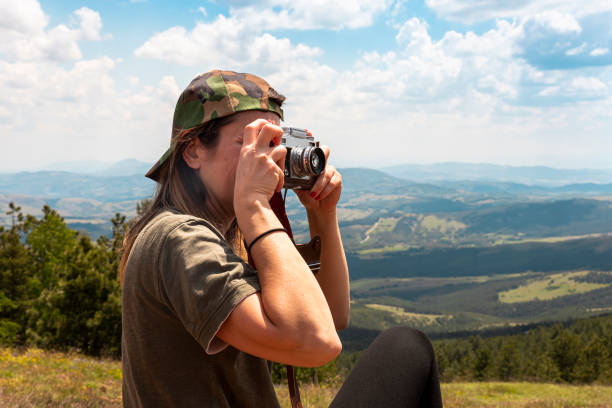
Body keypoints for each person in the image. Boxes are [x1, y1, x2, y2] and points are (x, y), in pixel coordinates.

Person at [120, 69, 443, 407]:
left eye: (275, 144)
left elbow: (332, 318)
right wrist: (255, 206)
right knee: (406, 347)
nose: (268, 158)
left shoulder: (217, 237)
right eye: (251, 142)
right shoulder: (179, 237)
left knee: (406, 348)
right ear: (194, 152)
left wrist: (322, 215)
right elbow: (317, 343)